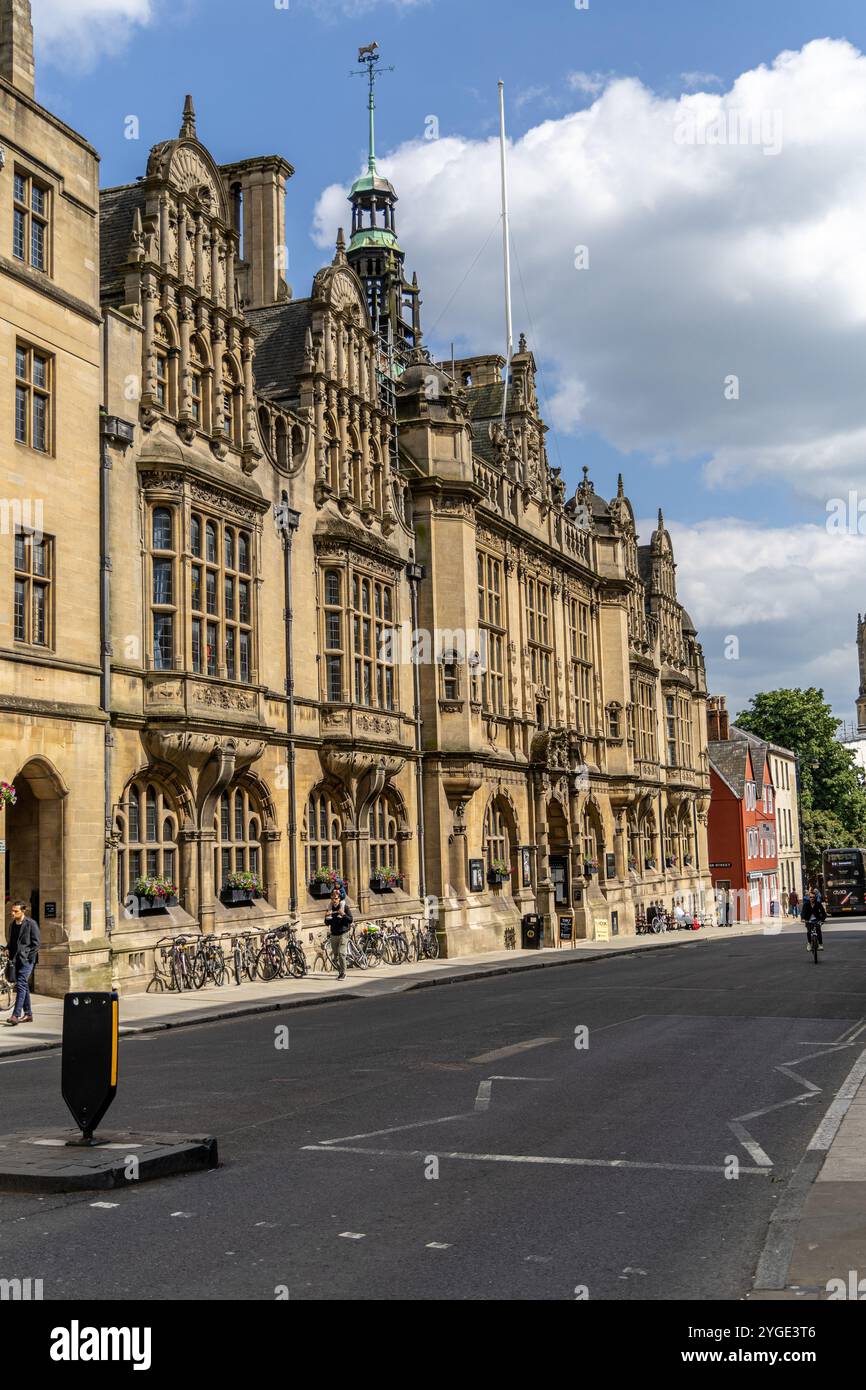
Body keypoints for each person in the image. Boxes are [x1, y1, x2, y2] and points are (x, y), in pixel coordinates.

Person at [5, 901, 40, 1025]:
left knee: (20, 984)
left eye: (16, 911)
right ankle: (28, 1014)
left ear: (23, 911)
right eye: (12, 911)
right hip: (14, 961)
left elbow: (36, 944)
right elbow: (11, 942)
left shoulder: (31, 924)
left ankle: (15, 1015)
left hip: (26, 961)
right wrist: (7, 950)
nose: (13, 913)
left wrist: (28, 957)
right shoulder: (12, 925)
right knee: (23, 985)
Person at [324, 887, 352, 980]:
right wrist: (326, 917)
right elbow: (327, 923)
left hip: (343, 933)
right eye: (332, 899)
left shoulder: (344, 907)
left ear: (339, 899)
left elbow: (350, 920)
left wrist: (343, 914)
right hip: (334, 934)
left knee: (341, 953)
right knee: (335, 957)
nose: (334, 900)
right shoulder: (330, 908)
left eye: (336, 898)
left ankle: (344, 973)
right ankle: (340, 972)